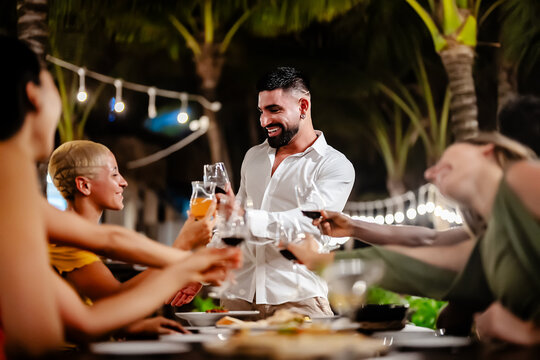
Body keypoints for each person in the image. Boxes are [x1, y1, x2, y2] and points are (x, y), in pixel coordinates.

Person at [0, 36, 241, 358]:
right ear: (34, 96)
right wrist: (186, 263)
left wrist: (188, 263)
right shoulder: (10, 201)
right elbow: (84, 318)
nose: (124, 182)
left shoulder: (15, 202)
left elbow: (108, 241)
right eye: (114, 173)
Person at [289, 132, 540, 345]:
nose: (430, 172)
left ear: (488, 150)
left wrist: (528, 332)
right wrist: (348, 232)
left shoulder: (520, 176)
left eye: (445, 158)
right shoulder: (491, 237)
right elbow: (427, 246)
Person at [217, 67, 355, 318]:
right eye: (261, 111)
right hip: (238, 296)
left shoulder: (335, 166)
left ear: (303, 106)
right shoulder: (253, 157)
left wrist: (245, 218)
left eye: (274, 110)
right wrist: (197, 272)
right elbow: (232, 224)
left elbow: (308, 224)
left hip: (298, 298)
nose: (264, 121)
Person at [47, 140, 216, 337]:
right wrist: (183, 246)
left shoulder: (77, 236)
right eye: (114, 173)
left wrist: (180, 261)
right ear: (84, 185)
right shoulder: (68, 242)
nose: (124, 182)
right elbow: (117, 299)